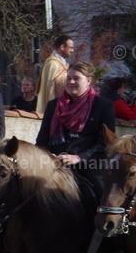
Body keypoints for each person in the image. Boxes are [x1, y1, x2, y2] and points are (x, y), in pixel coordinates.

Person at [35, 61, 115, 191]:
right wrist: (48, 155)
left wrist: (78, 158)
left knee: (100, 197)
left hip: (87, 169)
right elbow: (41, 140)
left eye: (76, 78)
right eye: (69, 78)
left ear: (88, 80)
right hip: (52, 167)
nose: (71, 82)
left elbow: (105, 144)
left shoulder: (103, 106)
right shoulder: (53, 105)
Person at [36, 35, 74, 113]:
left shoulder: (60, 63)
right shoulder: (53, 64)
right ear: (62, 47)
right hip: (56, 109)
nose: (72, 50)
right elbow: (51, 89)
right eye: (71, 47)